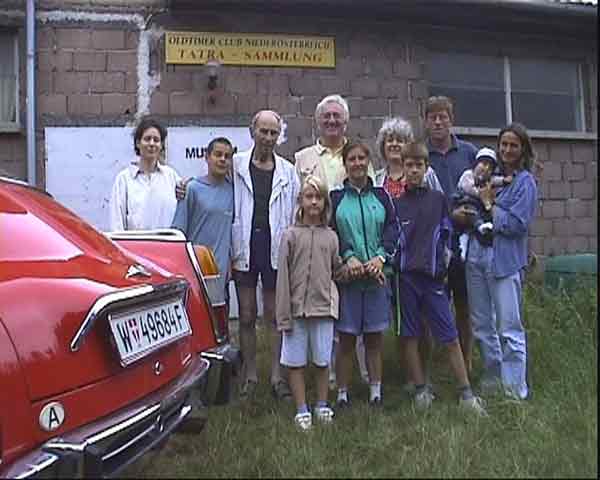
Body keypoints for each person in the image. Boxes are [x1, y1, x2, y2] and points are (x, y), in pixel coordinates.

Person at [393, 141, 486, 416]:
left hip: (434, 279)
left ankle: (466, 393)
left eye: (418, 165)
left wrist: (444, 264)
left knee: (449, 334)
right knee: (409, 334)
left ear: (426, 168)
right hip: (405, 279)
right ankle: (421, 388)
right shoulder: (396, 204)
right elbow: (391, 239)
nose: (413, 170)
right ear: (402, 168)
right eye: (408, 165)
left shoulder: (438, 200)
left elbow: (448, 235)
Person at [295, 94, 371, 387]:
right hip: (316, 243)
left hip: (353, 243)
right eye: (326, 116)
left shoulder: (356, 154)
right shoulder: (303, 158)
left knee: (353, 310)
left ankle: (361, 375)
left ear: (346, 121)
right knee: (323, 310)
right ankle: (324, 376)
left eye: (336, 116)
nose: (331, 121)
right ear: (317, 121)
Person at [464, 123, 538, 400]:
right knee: (482, 324)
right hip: (476, 255)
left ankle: (515, 389)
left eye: (513, 145)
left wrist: (488, 205)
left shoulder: (525, 183)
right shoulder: (489, 176)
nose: (507, 150)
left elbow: (517, 224)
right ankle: (493, 378)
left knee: (509, 326)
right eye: (503, 144)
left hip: (504, 259)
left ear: (523, 150)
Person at [232, 110, 301, 401]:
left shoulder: (287, 171)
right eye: (264, 131)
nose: (268, 138)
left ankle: (276, 377)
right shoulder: (236, 164)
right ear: (252, 131)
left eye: (274, 133)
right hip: (246, 245)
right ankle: (249, 376)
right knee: (247, 315)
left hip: (275, 248)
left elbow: (296, 212)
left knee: (274, 315)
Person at [374, 116, 443, 392]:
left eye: (400, 140)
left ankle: (424, 373)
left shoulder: (426, 175)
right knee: (401, 320)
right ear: (382, 145)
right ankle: (409, 374)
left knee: (423, 320)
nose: (394, 144)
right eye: (389, 139)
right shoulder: (377, 179)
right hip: (389, 261)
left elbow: (439, 212)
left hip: (421, 262)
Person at [330, 140, 398, 408]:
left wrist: (380, 258)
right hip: (350, 279)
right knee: (346, 339)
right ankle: (343, 394)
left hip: (377, 276)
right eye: (352, 159)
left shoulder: (381, 196)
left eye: (362, 158)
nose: (357, 163)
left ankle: (376, 392)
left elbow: (393, 230)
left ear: (368, 162)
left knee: (373, 338)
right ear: (345, 164)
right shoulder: (336, 198)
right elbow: (332, 231)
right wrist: (349, 257)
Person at [276, 175, 345, 430]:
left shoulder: (331, 237)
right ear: (301, 201)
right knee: (295, 361)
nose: (314, 202)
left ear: (325, 203)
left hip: (324, 308)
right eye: (309, 196)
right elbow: (283, 276)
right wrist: (284, 315)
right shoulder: (290, 236)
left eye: (318, 197)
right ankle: (302, 408)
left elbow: (336, 269)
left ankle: (322, 405)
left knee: (322, 359)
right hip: (296, 310)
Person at [423, 95, 478, 374]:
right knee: (433, 308)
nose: (438, 121)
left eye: (443, 116)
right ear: (426, 122)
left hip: (465, 244)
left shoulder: (469, 153)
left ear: (451, 119)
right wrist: (447, 216)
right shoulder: (421, 155)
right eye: (432, 117)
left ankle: (466, 364)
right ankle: (435, 367)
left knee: (464, 307)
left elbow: (482, 191)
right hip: (434, 246)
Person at [171, 137, 234, 302]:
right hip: (196, 271)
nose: (222, 160)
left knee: (220, 324)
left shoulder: (234, 191)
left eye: (227, 156)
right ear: (207, 157)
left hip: (221, 275)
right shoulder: (191, 189)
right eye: (218, 154)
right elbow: (178, 232)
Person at [109, 116, 180, 231]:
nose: (152, 144)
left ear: (161, 145)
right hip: (134, 246)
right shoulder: (124, 179)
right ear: (138, 143)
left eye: (156, 140)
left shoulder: (171, 176)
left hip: (166, 246)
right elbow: (116, 222)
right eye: (147, 139)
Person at [452, 146, 512, 261]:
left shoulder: (488, 180)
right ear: (476, 164)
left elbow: (495, 180)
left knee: (472, 223)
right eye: (483, 164)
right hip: (464, 200)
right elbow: (467, 187)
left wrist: (504, 180)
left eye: (490, 168)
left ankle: (468, 242)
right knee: (471, 212)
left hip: (477, 204)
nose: (486, 169)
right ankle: (478, 229)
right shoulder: (468, 174)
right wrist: (481, 194)